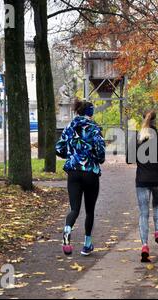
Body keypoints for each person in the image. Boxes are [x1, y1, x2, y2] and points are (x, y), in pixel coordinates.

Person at [56, 100, 106, 256]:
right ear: (90, 113)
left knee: (74, 209)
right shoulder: (94, 128)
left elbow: (59, 148)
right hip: (90, 172)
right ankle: (87, 245)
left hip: (74, 172)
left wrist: (71, 155)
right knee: (89, 210)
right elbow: (101, 154)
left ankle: (67, 231)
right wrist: (95, 158)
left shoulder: (69, 127)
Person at [127, 110, 158, 262]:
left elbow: (129, 159)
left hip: (142, 180)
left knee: (143, 213)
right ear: (155, 120)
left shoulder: (137, 138)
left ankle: (145, 245)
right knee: (157, 206)